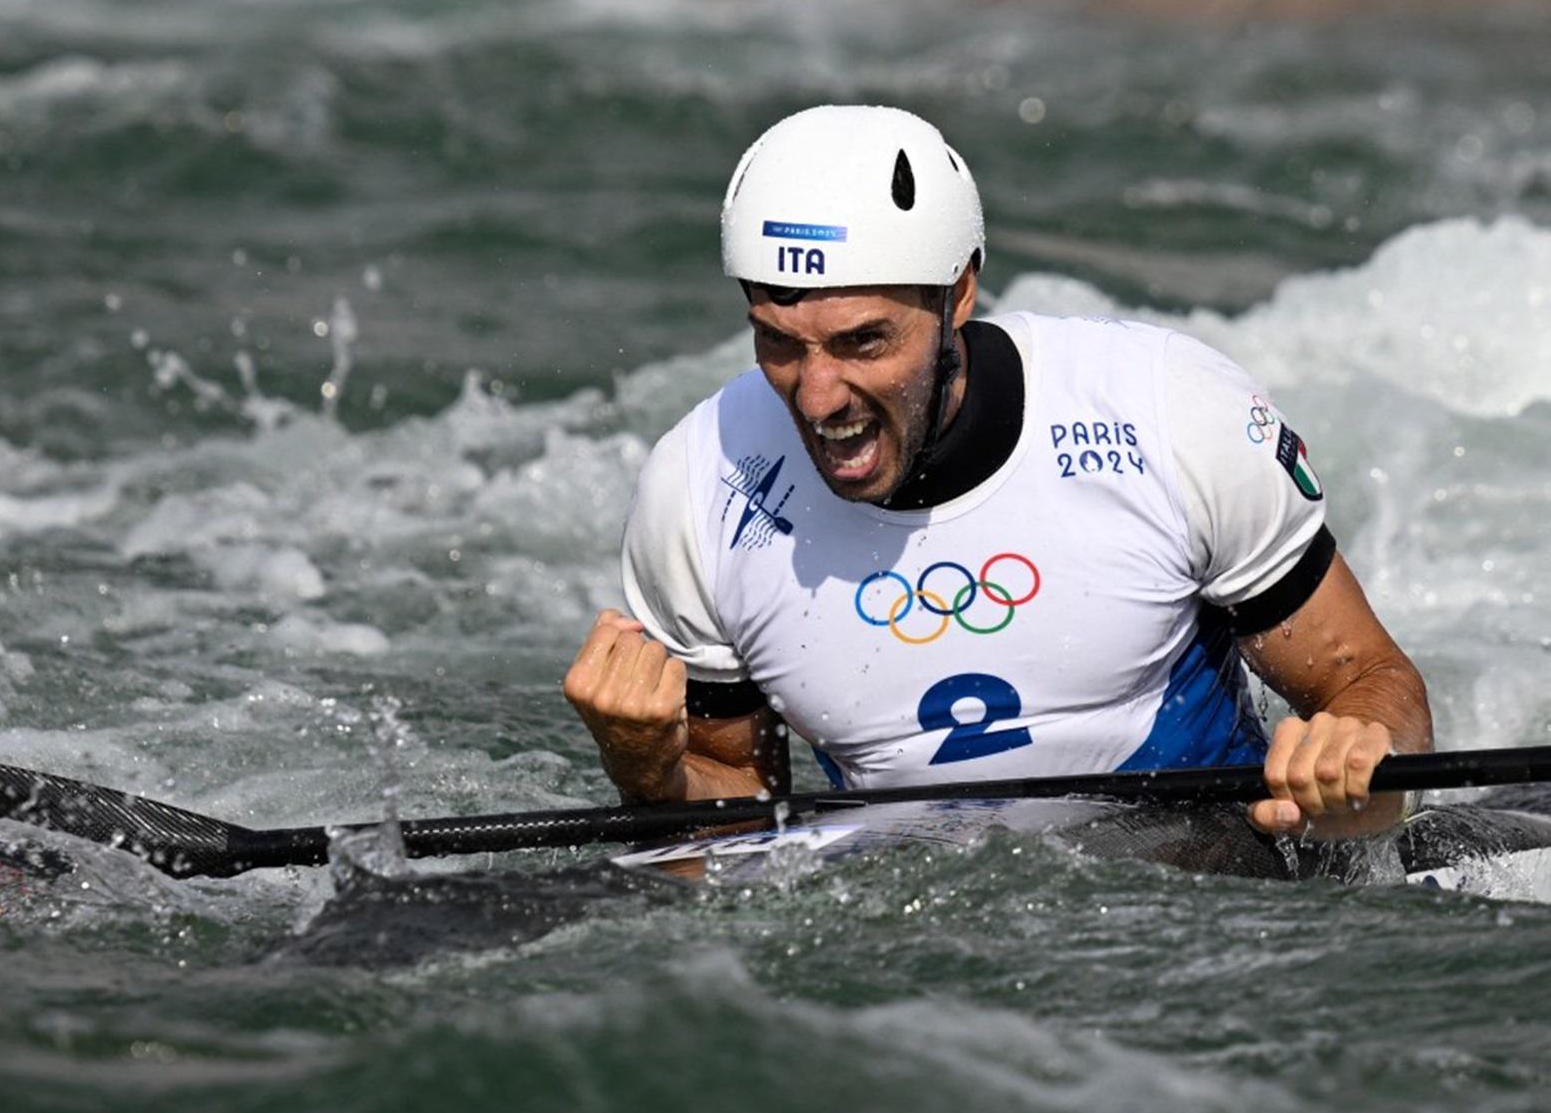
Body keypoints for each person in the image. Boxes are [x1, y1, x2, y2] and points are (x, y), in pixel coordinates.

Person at [562, 105, 1431, 839]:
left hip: (1211, 882)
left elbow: (1376, 685)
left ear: (959, 294)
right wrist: (649, 773)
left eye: (865, 341)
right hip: (920, 935)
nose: (818, 396)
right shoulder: (702, 482)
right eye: (778, 343)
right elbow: (738, 832)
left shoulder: (1168, 412)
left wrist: (1355, 755)